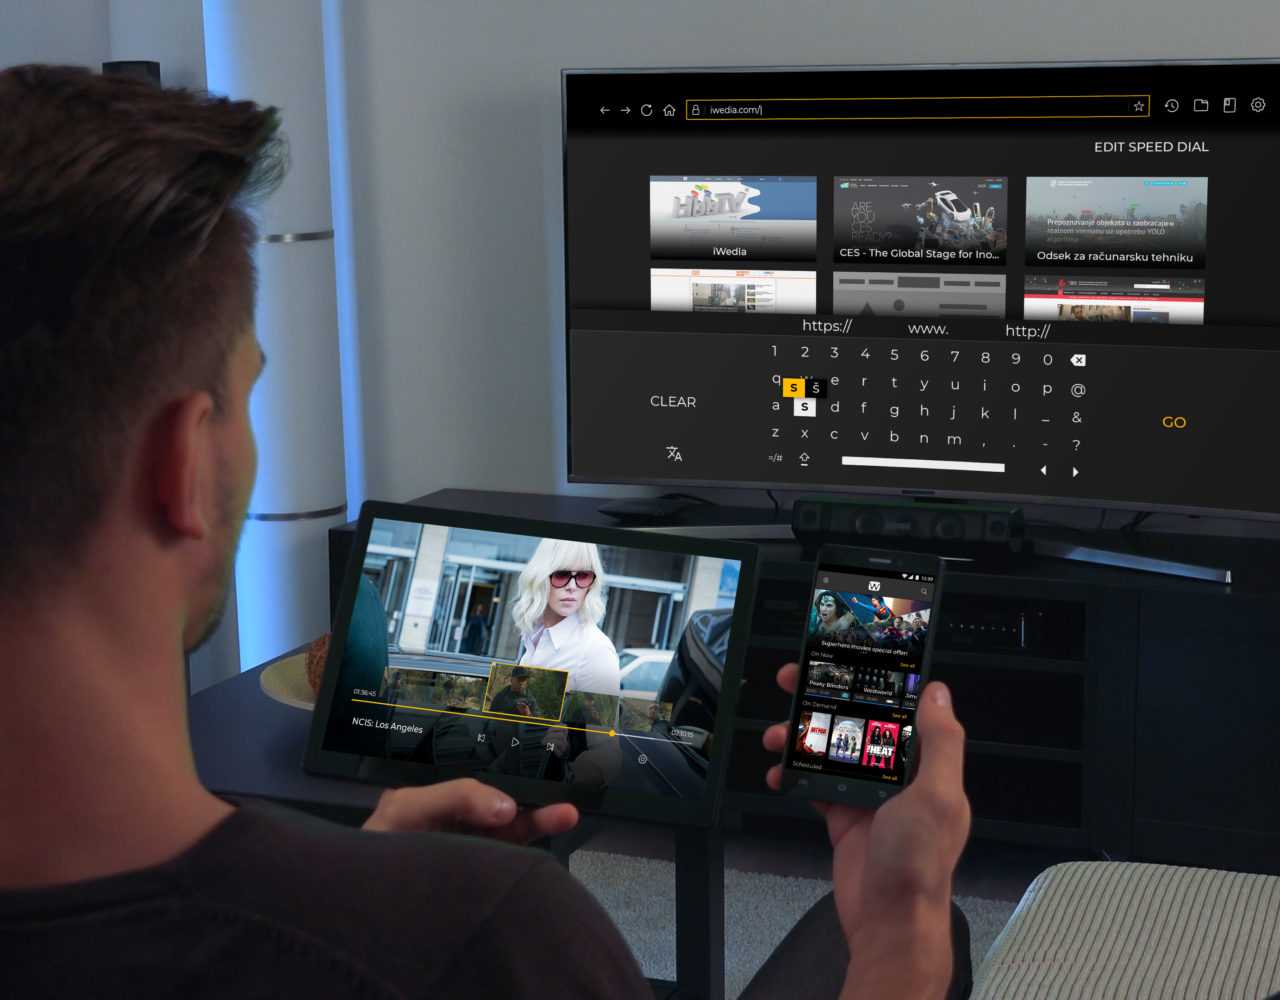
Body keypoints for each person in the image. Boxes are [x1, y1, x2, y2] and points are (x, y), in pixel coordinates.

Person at [0, 65, 972, 1000]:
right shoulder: (495, 934)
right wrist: (904, 929)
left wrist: (368, 877)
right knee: (936, 932)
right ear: (179, 465)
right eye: (249, 394)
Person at [510, 538, 620, 697]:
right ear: (540, 576)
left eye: (583, 576)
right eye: (562, 575)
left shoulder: (596, 650)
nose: (572, 587)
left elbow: (597, 714)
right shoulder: (534, 636)